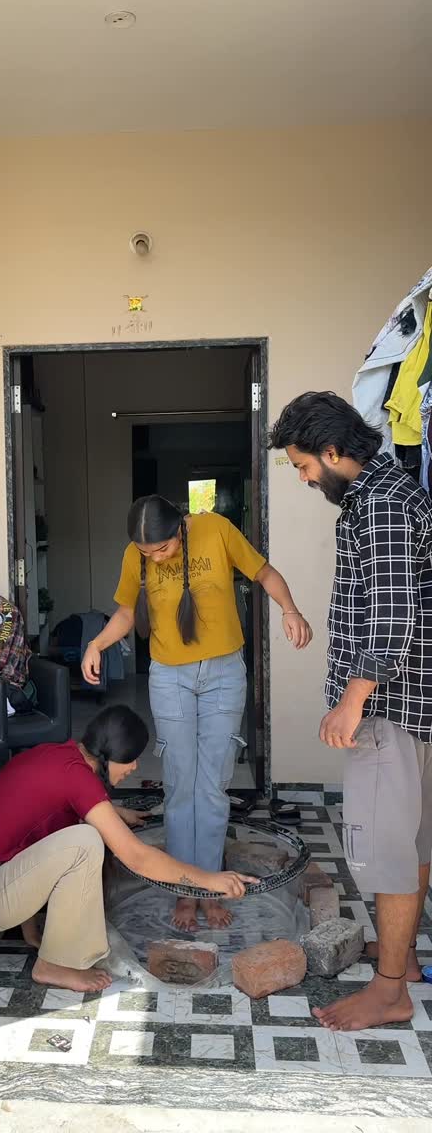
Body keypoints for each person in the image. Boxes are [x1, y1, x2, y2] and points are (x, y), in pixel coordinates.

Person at [269, 390, 432, 1032]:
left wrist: (350, 702)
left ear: (333, 452)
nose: (305, 479)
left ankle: (389, 991)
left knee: (385, 850)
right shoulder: (386, 492)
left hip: (389, 706)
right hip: (412, 704)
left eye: (304, 466)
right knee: (412, 841)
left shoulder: (382, 502)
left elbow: (391, 616)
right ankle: (403, 963)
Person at [81, 495, 311, 932]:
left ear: (180, 529)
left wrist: (290, 609)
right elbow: (127, 611)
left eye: (163, 549)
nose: (155, 558)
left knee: (212, 784)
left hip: (224, 673)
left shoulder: (216, 530)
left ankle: (210, 887)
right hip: (170, 677)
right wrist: (97, 644)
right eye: (147, 553)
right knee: (179, 783)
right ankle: (185, 890)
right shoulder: (135, 555)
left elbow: (263, 572)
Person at [0, 704, 257, 993]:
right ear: (111, 754)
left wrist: (111, 812)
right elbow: (137, 857)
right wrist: (208, 879)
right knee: (86, 841)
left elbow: (29, 830)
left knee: (87, 831)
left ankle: (55, 945)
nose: (135, 766)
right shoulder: (77, 779)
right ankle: (54, 965)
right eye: (130, 758)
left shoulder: (62, 756)